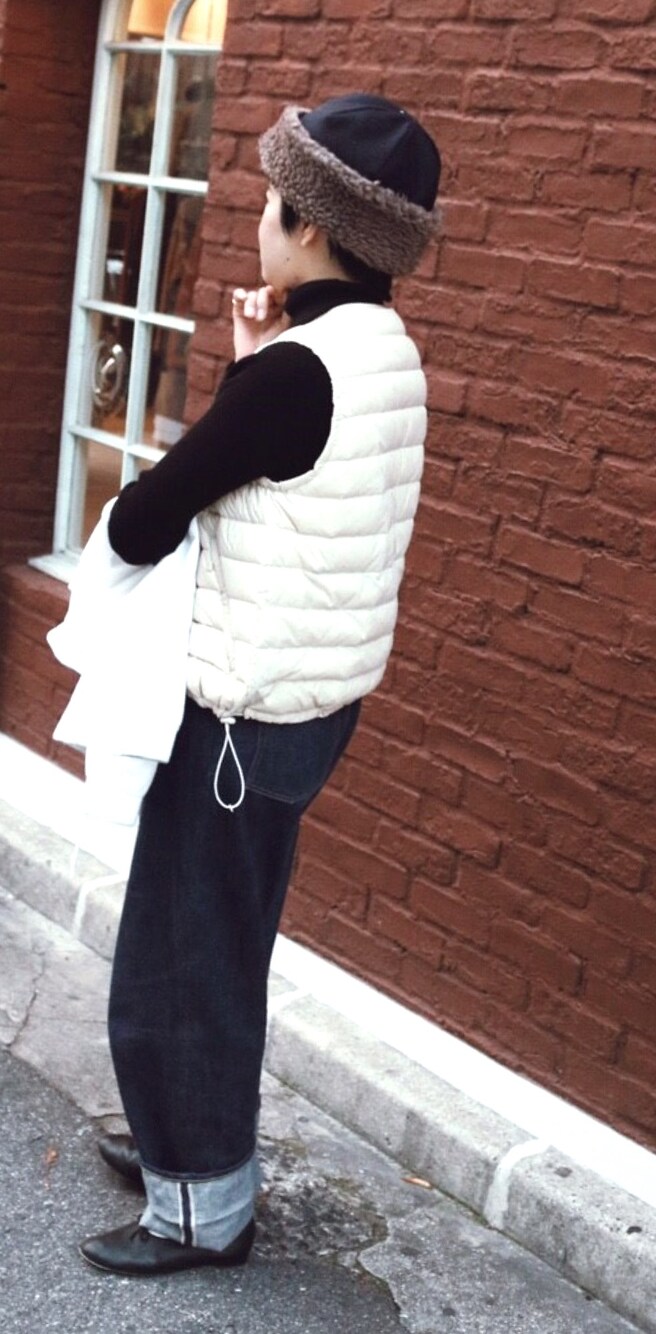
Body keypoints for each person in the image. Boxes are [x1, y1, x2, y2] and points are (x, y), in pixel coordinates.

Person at [78, 92, 442, 1277]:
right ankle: (189, 1143)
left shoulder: (293, 376)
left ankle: (200, 1205)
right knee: (222, 939)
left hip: (237, 717)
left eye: (272, 200)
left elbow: (145, 516)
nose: (258, 218)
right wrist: (252, 370)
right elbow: (296, 481)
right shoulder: (382, 350)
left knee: (179, 960)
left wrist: (247, 381)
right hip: (309, 710)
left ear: (315, 226)